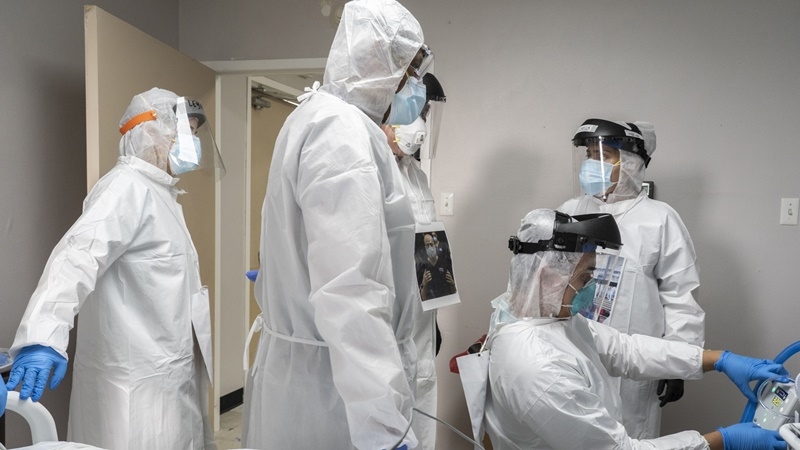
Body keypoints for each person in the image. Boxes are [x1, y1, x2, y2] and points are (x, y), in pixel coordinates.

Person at [240, 1, 432, 449]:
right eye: (409, 70)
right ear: (376, 62)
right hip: (332, 392)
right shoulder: (341, 132)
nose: (414, 86)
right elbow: (352, 290)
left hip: (315, 376)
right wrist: (384, 424)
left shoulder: (315, 117)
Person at [460, 208, 786, 449]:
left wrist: (718, 359)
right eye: (585, 278)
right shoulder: (537, 367)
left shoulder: (546, 318)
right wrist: (722, 441)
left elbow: (624, 349)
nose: (591, 289)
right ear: (549, 277)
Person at [5, 88, 219, 449]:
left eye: (195, 133)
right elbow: (75, 260)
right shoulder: (124, 189)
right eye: (186, 132)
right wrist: (42, 338)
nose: (193, 142)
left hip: (167, 371)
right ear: (150, 133)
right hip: (131, 383)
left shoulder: (161, 194)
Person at [557, 118, 705, 439]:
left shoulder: (660, 219)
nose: (592, 165)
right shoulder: (569, 212)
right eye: (588, 156)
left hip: (638, 364)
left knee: (631, 436)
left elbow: (680, 296)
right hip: (574, 354)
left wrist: (678, 361)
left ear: (633, 163)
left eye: (604, 155)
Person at [381, 71, 447, 450]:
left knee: (421, 429)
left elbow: (428, 249)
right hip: (387, 331)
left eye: (423, 110)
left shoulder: (417, 176)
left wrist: (433, 312)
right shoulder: (370, 172)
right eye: (412, 109)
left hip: (419, 333)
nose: (418, 122)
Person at [417, 233, 456, 301]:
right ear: (425, 248)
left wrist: (452, 284)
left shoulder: (445, 264)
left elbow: (454, 292)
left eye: (431, 244)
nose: (430, 248)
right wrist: (424, 285)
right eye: (427, 245)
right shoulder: (422, 268)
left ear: (435, 245)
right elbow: (422, 299)